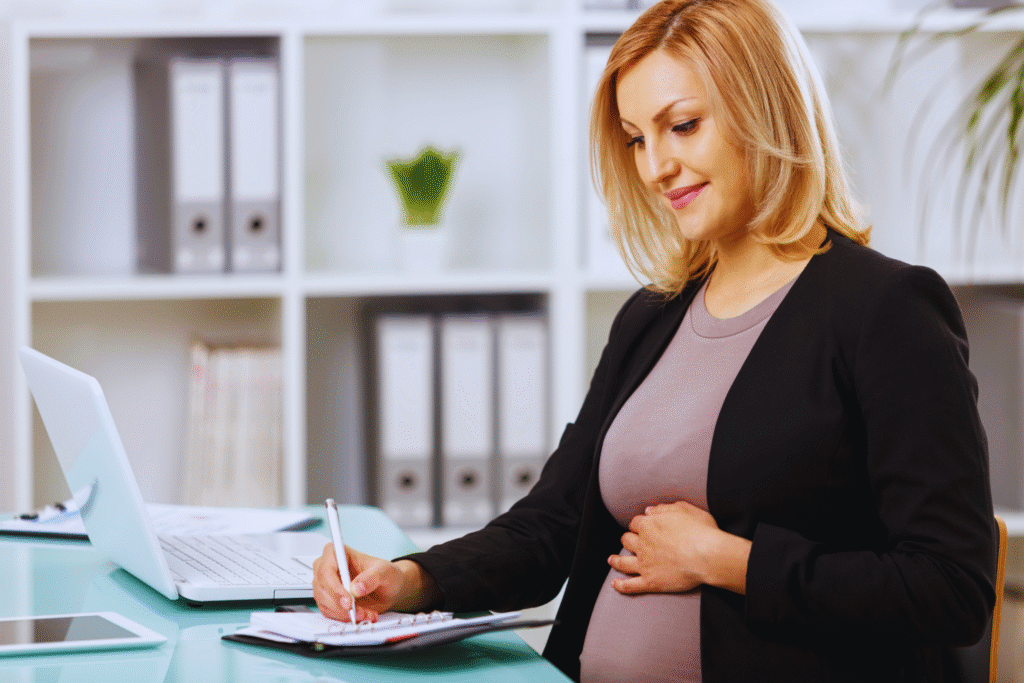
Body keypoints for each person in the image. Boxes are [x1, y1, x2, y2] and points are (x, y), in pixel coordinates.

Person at [313, 0, 997, 680]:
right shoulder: (651, 315)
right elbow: (553, 522)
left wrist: (728, 560)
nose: (655, 166)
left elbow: (950, 587)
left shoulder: (887, 310)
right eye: (638, 138)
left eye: (683, 126)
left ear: (766, 108)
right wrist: (409, 579)